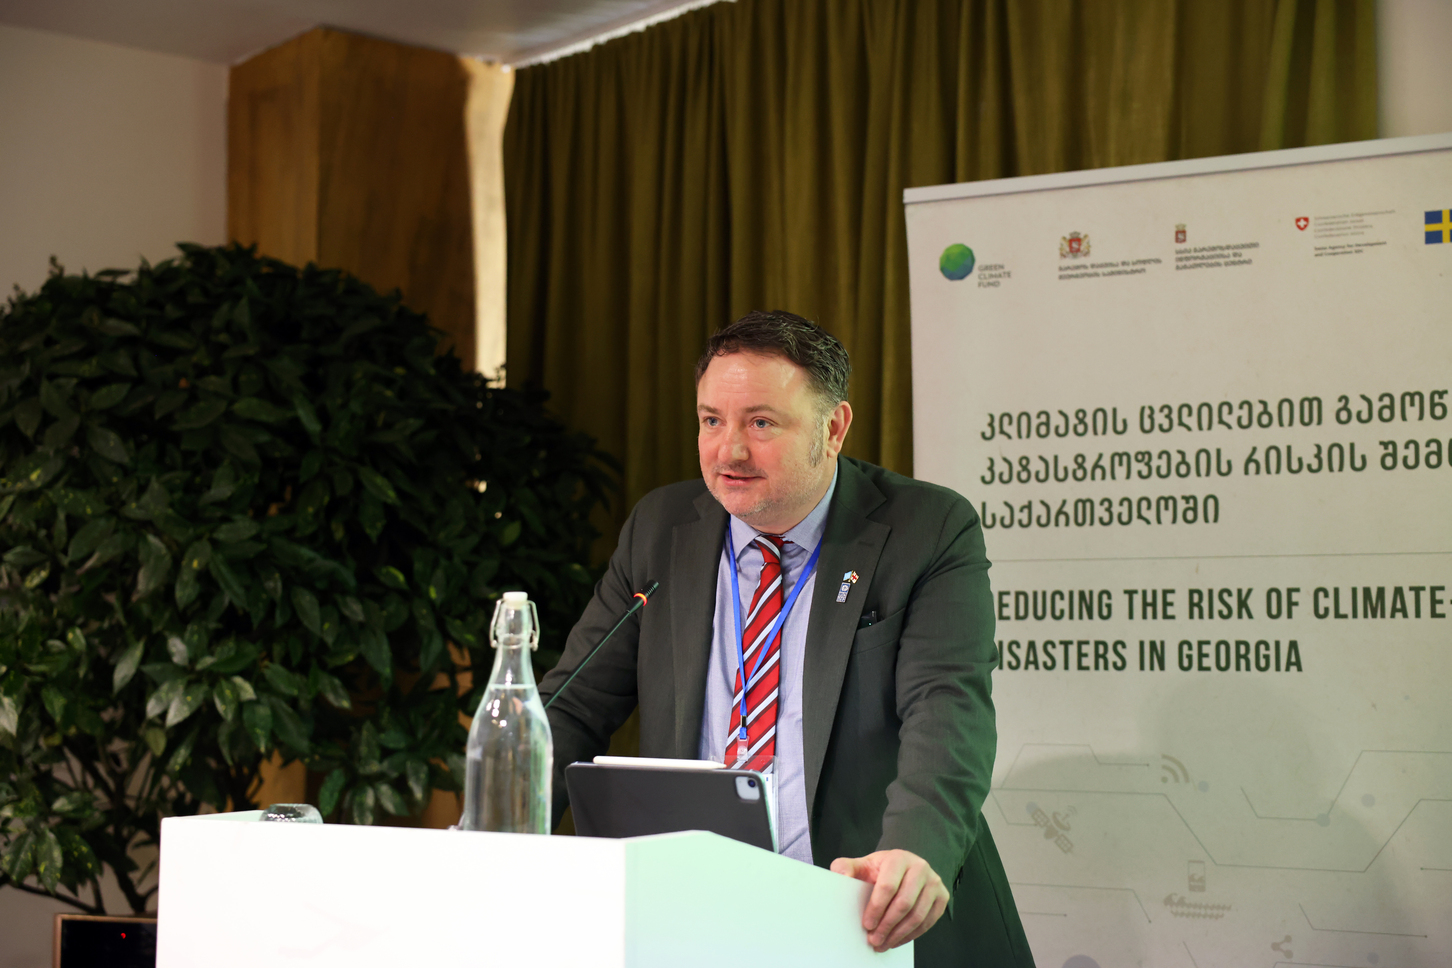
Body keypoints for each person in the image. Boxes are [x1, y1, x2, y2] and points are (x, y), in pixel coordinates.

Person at [539, 310, 1033, 966]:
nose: (729, 451)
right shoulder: (661, 527)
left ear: (833, 428)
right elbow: (573, 705)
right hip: (700, 918)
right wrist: (497, 822)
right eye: (711, 420)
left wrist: (915, 850)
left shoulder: (926, 529)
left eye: (761, 423)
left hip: (864, 913)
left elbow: (947, 709)